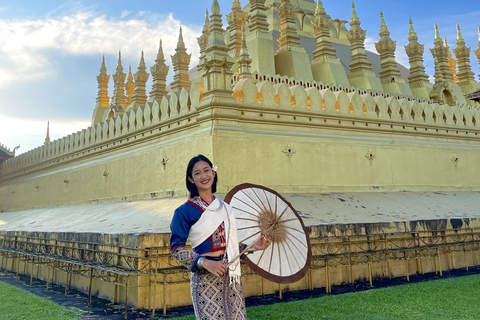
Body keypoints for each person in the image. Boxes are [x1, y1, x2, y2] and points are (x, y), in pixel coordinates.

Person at [170, 155, 271, 320]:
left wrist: (254, 246)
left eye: (207, 170)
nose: (204, 176)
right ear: (191, 179)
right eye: (197, 173)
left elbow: (228, 245)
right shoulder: (184, 212)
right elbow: (176, 249)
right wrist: (204, 262)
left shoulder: (225, 209)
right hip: (205, 280)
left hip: (231, 279)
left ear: (213, 173)